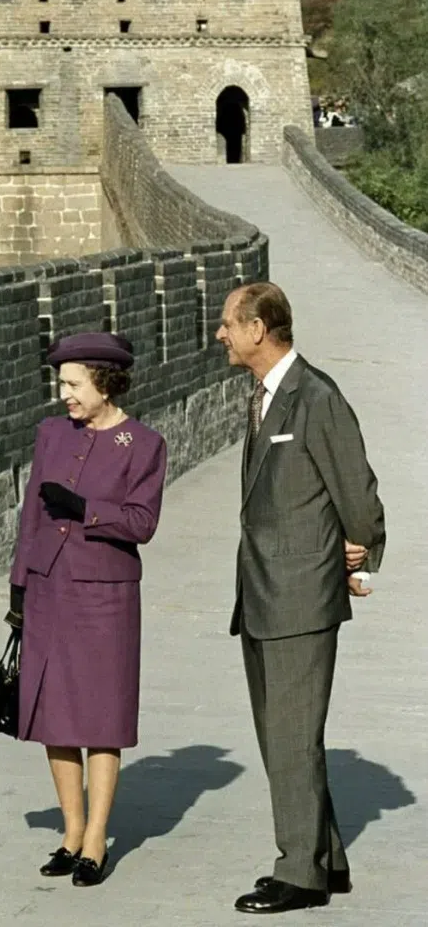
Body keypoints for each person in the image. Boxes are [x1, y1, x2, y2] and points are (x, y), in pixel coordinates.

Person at [215, 283, 386, 914]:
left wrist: (361, 559)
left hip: (299, 597)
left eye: (228, 324)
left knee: (291, 736)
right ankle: (326, 859)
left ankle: (300, 876)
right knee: (280, 736)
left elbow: (358, 494)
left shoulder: (316, 398)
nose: (220, 335)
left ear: (259, 328)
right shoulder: (262, 396)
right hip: (261, 593)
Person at [7, 332, 167, 887]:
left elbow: (143, 524)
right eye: (60, 383)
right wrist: (18, 586)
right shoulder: (51, 434)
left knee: (101, 717)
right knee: (54, 713)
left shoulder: (144, 444)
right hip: (49, 588)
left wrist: (86, 510)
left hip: (106, 596)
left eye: (73, 384)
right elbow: (31, 510)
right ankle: (71, 832)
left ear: (105, 382)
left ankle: (97, 838)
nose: (64, 394)